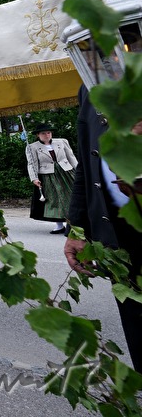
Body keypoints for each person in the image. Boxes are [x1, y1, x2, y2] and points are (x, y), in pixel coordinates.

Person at [66, 86, 142, 370]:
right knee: (136, 324)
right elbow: (87, 164)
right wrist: (77, 230)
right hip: (118, 235)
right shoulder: (88, 85)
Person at [25, 123, 78, 234]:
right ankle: (59, 226)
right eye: (43, 133)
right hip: (48, 176)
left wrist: (79, 171)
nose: (47, 135)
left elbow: (71, 157)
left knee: (71, 197)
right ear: (38, 135)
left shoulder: (62, 142)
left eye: (48, 132)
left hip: (66, 172)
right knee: (55, 200)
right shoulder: (32, 147)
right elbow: (32, 164)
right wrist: (34, 178)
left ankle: (73, 224)